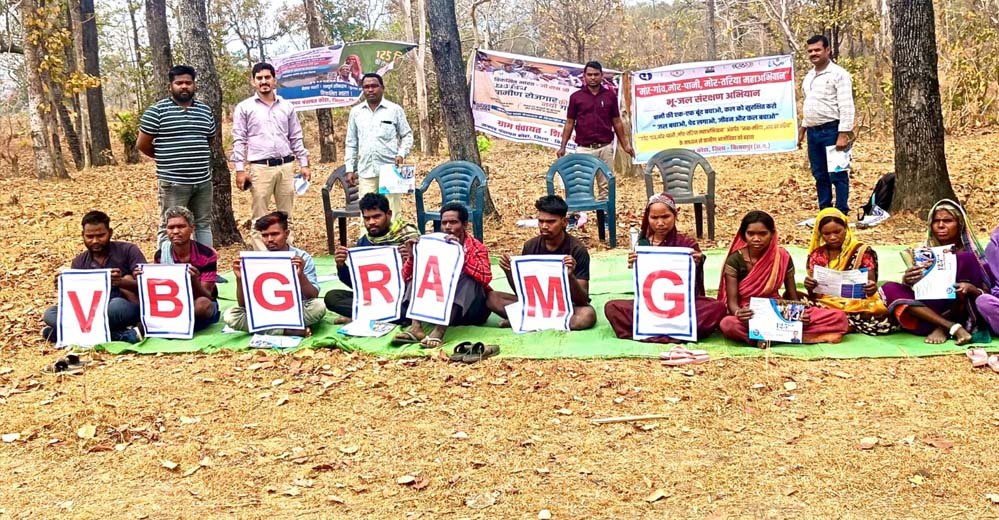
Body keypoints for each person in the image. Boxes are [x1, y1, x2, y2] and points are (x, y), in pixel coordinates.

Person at [603, 193, 727, 342]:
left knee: (718, 307)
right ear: (647, 218)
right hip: (651, 305)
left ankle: (654, 331)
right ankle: (674, 331)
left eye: (665, 217)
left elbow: (693, 287)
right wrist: (634, 264)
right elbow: (643, 285)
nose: (660, 223)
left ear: (675, 215)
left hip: (681, 304)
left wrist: (698, 263)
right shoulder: (643, 244)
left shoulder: (687, 244)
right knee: (612, 307)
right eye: (654, 218)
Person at [718, 210, 849, 346]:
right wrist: (739, 313)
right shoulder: (735, 260)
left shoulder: (782, 256)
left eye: (763, 234)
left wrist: (798, 313)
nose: (756, 239)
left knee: (839, 317)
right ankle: (782, 335)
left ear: (772, 234)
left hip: (779, 310)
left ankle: (770, 337)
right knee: (728, 324)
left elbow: (792, 295)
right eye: (751, 234)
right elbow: (732, 302)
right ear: (743, 235)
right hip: (751, 312)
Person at [880, 200, 992, 345]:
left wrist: (971, 289)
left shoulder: (972, 254)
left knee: (965, 259)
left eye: (948, 221)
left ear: (960, 224)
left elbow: (988, 293)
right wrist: (908, 280)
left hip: (959, 310)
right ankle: (949, 326)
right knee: (888, 287)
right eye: (936, 221)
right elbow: (914, 290)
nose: (940, 225)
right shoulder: (923, 251)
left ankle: (945, 326)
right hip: (928, 310)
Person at [231, 62, 311, 251]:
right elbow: (239, 139)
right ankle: (263, 259)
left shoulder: (287, 106)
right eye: (259, 78)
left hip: (286, 166)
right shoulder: (244, 107)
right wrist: (240, 170)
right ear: (253, 82)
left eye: (267, 77)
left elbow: (295, 136)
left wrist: (304, 163)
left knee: (287, 217)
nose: (264, 81)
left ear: (274, 80)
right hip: (260, 167)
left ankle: (288, 256)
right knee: (259, 218)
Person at [486, 195, 597, 330]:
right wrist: (509, 271)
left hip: (566, 305)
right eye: (541, 221)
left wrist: (569, 277)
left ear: (564, 222)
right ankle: (544, 321)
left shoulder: (577, 250)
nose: (544, 226)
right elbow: (523, 292)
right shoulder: (530, 246)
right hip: (536, 303)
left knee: (587, 315)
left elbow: (582, 300)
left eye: (551, 222)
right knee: (492, 298)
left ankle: (525, 320)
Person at [137, 65, 218, 247]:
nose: (184, 86)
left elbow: (209, 140)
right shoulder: (157, 111)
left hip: (203, 181)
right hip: (173, 183)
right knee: (169, 226)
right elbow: (142, 144)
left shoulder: (205, 111)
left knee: (203, 225)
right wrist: (166, 159)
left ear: (194, 85)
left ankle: (206, 264)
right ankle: (166, 264)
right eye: (179, 83)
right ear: (170, 86)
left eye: (188, 83)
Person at [392, 202, 493, 348]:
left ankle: (440, 330)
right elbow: (405, 277)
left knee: (469, 279)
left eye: (453, 222)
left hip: (468, 310)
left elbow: (486, 277)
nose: (447, 227)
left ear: (464, 225)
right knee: (418, 275)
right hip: (437, 306)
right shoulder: (432, 245)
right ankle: (416, 327)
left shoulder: (477, 248)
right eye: (444, 223)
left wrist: (461, 255)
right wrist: (413, 257)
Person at [41, 211, 146, 344]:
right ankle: (120, 335)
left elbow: (148, 285)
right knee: (50, 313)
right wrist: (64, 286)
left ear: (110, 233)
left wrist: (121, 282)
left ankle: (66, 332)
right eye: (90, 237)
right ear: (83, 235)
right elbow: (77, 299)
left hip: (121, 308)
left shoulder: (128, 250)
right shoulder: (79, 262)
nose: (95, 241)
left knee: (116, 306)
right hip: (91, 312)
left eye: (100, 235)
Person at [224, 212, 326, 335]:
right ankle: (288, 330)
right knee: (231, 316)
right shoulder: (255, 260)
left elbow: (313, 295)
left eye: (275, 234)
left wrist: (300, 276)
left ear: (286, 234)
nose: (270, 239)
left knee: (318, 307)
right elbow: (243, 305)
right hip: (263, 312)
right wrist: (240, 279)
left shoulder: (302, 257)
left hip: (295, 310)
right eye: (265, 235)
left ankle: (270, 329)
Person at [324, 193, 420, 321]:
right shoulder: (364, 242)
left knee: (406, 310)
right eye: (367, 218)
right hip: (373, 298)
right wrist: (341, 265)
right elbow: (357, 284)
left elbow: (424, 279)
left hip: (402, 298)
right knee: (332, 297)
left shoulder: (408, 238)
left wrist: (411, 260)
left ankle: (362, 315)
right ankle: (377, 315)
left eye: (376, 217)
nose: (371, 222)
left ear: (389, 214)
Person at [802, 208, 891, 335]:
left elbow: (870, 284)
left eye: (837, 232)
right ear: (820, 234)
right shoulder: (817, 255)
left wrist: (871, 287)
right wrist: (810, 286)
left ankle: (835, 321)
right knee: (795, 299)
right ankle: (840, 321)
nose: (833, 237)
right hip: (825, 302)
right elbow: (814, 294)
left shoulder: (861, 251)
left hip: (856, 304)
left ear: (846, 228)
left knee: (879, 318)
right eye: (826, 234)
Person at [557, 60, 635, 201]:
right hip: (584, 149)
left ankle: (604, 213)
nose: (593, 78)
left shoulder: (610, 96)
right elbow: (569, 122)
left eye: (596, 74)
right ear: (584, 76)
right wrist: (562, 146)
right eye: (589, 75)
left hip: (605, 148)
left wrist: (626, 145)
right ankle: (580, 212)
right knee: (582, 185)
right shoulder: (576, 97)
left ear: (601, 75)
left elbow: (617, 121)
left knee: (606, 185)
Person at [798, 34, 855, 217]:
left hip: (832, 130)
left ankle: (841, 212)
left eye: (817, 50)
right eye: (810, 51)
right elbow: (810, 104)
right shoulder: (809, 77)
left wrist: (843, 134)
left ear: (827, 50)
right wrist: (803, 129)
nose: (813, 54)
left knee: (837, 173)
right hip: (813, 133)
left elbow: (846, 106)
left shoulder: (839, 74)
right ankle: (825, 212)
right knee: (819, 174)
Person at [344, 73, 413, 218]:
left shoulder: (394, 110)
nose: (370, 90)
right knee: (367, 213)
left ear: (382, 88)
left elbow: (407, 135)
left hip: (390, 169)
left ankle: (392, 234)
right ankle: (368, 235)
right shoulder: (356, 112)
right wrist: (349, 169)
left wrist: (401, 154)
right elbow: (351, 143)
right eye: (366, 87)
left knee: (392, 213)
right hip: (366, 170)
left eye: (374, 86)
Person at [148, 206, 220, 332]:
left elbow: (207, 295)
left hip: (199, 298)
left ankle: (178, 325)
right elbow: (161, 289)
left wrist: (193, 281)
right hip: (173, 302)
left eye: (181, 227)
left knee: (202, 306)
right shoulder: (161, 255)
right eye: (171, 228)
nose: (175, 231)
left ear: (192, 228)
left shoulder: (206, 254)